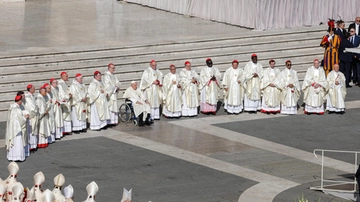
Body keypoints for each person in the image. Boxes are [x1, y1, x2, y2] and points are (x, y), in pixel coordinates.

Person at [5, 95, 28, 162]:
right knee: (18, 142)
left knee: (13, 142)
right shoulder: (17, 109)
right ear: (20, 101)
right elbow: (21, 120)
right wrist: (25, 117)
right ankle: (18, 156)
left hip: (12, 128)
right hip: (17, 129)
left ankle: (12, 156)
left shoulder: (12, 107)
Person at [23, 84, 38, 151]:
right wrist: (36, 110)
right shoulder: (28, 97)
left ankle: (34, 144)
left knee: (33, 130)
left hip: (33, 115)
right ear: (30, 89)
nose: (35, 89)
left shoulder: (31, 96)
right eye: (34, 88)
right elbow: (32, 108)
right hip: (31, 116)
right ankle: (31, 145)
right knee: (31, 131)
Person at [16, 91, 30, 157]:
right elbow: (19, 117)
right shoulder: (15, 107)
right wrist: (25, 117)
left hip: (23, 125)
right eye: (22, 97)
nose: (23, 98)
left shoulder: (21, 105)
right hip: (18, 127)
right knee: (19, 141)